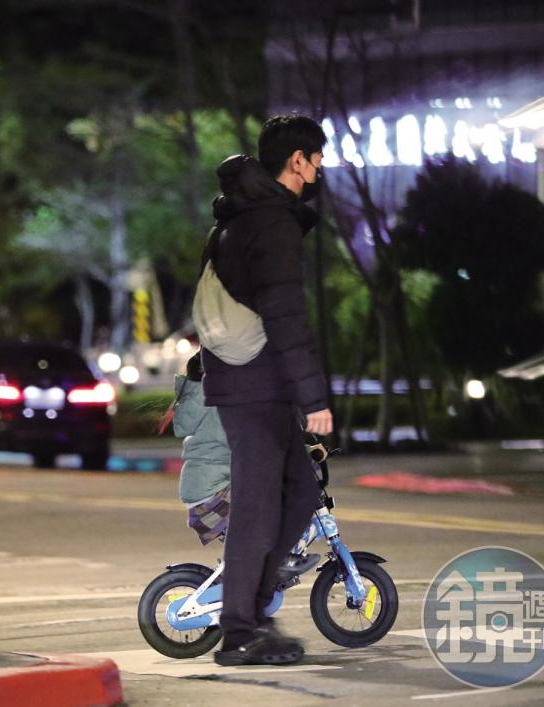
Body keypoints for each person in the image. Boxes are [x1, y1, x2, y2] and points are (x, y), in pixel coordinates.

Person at [200, 116, 333, 666]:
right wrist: (315, 398)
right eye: (317, 157)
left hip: (252, 381)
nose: (321, 167)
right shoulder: (270, 221)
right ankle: (239, 630)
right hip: (255, 385)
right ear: (297, 161)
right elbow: (283, 311)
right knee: (257, 508)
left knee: (300, 491)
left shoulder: (242, 217)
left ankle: (254, 608)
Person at [170, 351, 319, 569]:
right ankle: (276, 561)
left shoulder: (206, 396)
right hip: (213, 495)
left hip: (208, 489)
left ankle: (265, 566)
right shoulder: (220, 398)